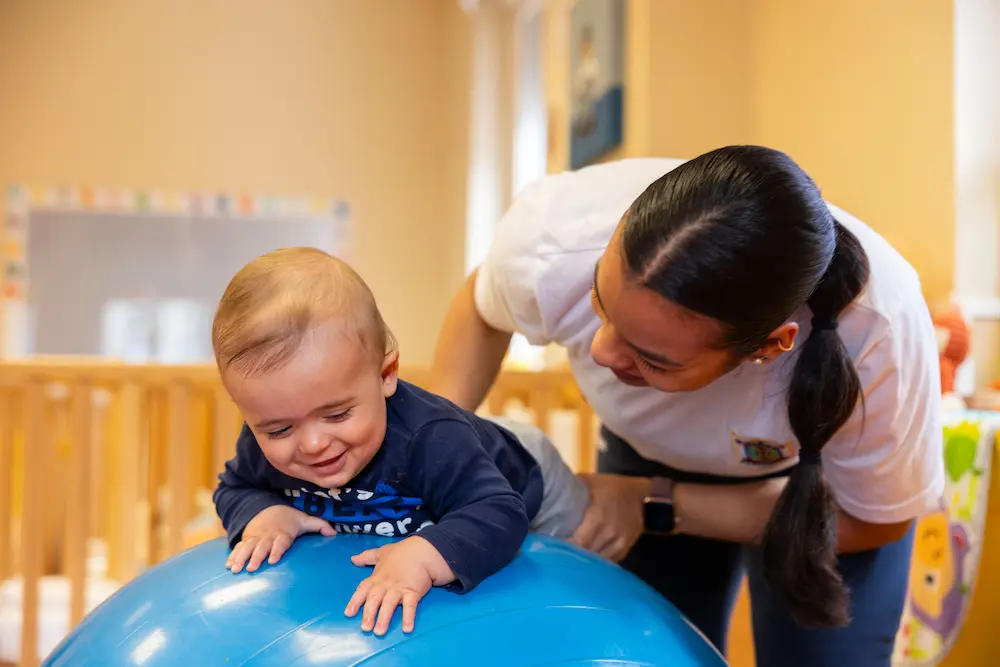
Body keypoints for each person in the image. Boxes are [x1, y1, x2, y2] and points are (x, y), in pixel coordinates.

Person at [428, 146, 944, 667]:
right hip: (645, 456)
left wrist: (652, 503)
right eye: (599, 304)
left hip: (826, 498)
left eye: (650, 358)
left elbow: (874, 520)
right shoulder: (554, 240)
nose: (603, 353)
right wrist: (432, 448)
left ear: (768, 346)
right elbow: (483, 306)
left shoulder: (881, 333)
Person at [211, 247, 589, 637]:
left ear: (386, 374)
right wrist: (264, 513)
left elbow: (500, 510)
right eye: (279, 430)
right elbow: (234, 485)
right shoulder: (263, 443)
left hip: (522, 472)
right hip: (460, 460)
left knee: (581, 549)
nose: (312, 443)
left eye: (337, 414)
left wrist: (425, 555)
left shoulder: (431, 440)